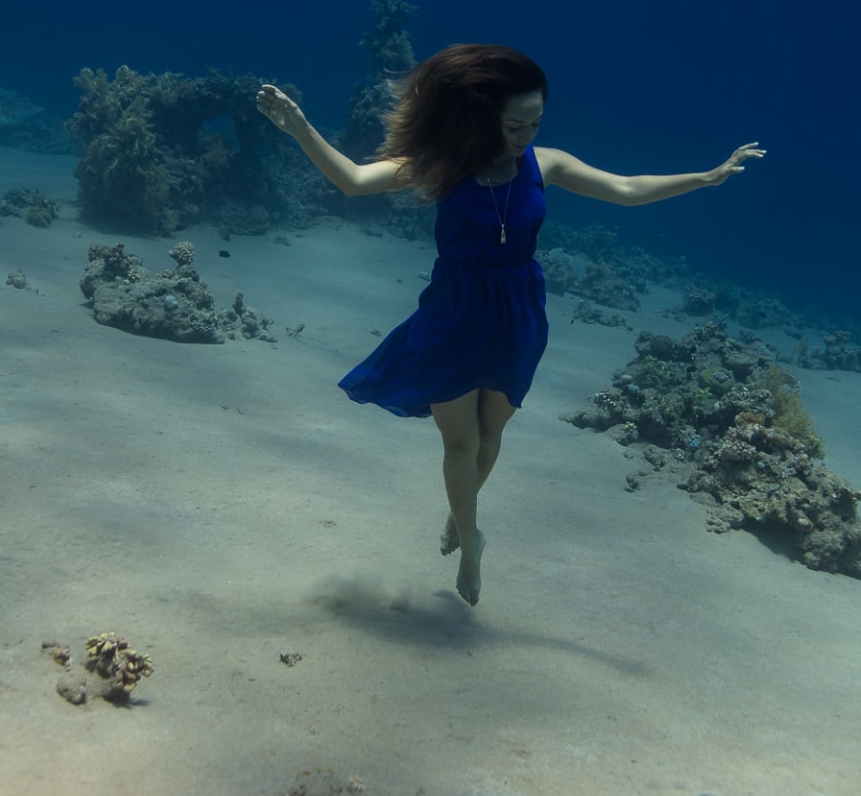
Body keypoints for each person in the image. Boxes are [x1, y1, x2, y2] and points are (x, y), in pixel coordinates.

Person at [256, 44, 763, 606]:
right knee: (458, 443)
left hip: (518, 309)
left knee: (492, 434)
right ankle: (471, 541)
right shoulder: (444, 163)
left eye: (534, 123)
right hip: (454, 311)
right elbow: (353, 180)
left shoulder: (548, 165)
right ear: (481, 117)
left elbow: (625, 188)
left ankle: (460, 514)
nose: (524, 135)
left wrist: (705, 177)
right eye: (514, 124)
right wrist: (299, 126)